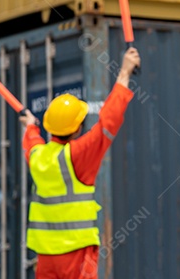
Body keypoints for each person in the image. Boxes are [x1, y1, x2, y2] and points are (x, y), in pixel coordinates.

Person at [21, 48, 141, 279]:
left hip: (45, 258)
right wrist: (124, 72)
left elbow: (32, 143)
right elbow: (109, 121)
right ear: (77, 127)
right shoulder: (78, 154)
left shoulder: (39, 158)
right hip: (75, 256)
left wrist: (29, 126)